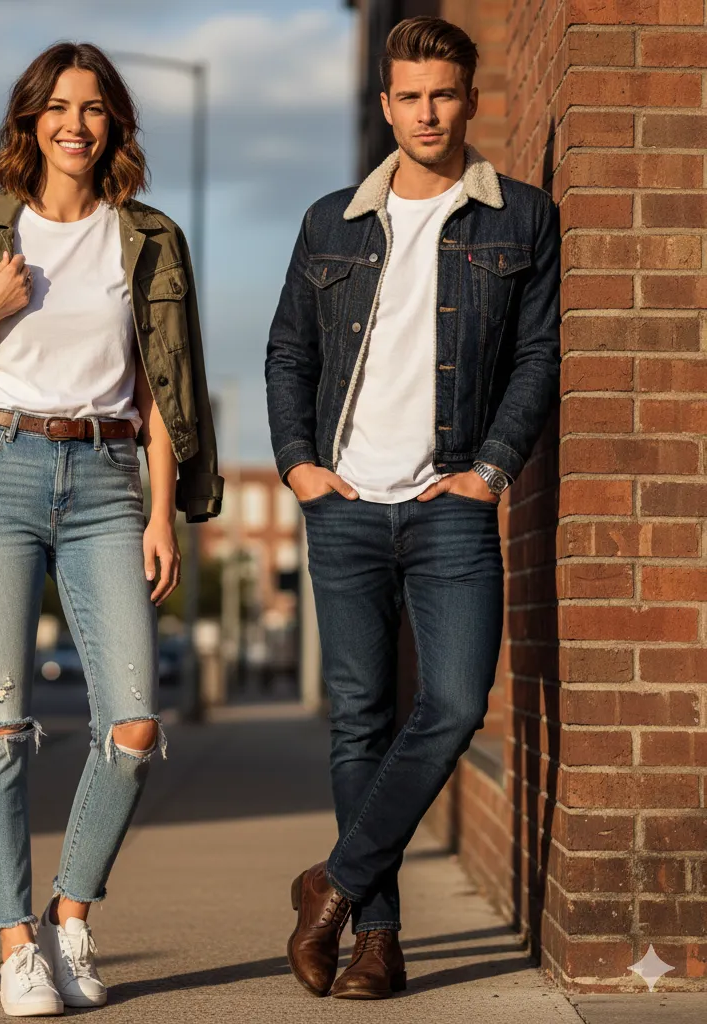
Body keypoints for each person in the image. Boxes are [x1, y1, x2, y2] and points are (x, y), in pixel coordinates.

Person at [0, 42, 222, 1017]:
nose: (75, 124)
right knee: (0, 721)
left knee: (134, 724)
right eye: (57, 106)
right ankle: (16, 943)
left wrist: (164, 512)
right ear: (29, 120)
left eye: (93, 108)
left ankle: (70, 913)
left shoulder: (148, 236)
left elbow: (164, 384)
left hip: (106, 478)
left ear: (115, 125)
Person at [265, 16, 559, 1000]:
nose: (426, 113)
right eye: (409, 97)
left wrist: (491, 470)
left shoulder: (522, 217)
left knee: (456, 706)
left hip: (451, 502)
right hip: (346, 502)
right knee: (360, 719)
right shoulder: (329, 222)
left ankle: (333, 882)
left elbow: (537, 356)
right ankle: (377, 942)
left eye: (442, 94)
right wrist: (300, 468)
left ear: (468, 98)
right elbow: (289, 353)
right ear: (386, 105)